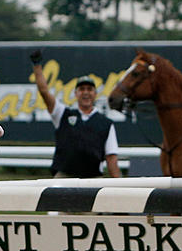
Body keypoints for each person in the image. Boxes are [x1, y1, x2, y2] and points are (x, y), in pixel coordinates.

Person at [30, 50, 120, 178]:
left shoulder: (106, 124)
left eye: (89, 89)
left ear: (95, 94)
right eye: (81, 89)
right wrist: (37, 65)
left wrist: (119, 188)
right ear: (76, 93)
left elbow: (111, 158)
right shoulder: (62, 114)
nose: (86, 93)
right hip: (64, 176)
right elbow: (44, 91)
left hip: (93, 178)